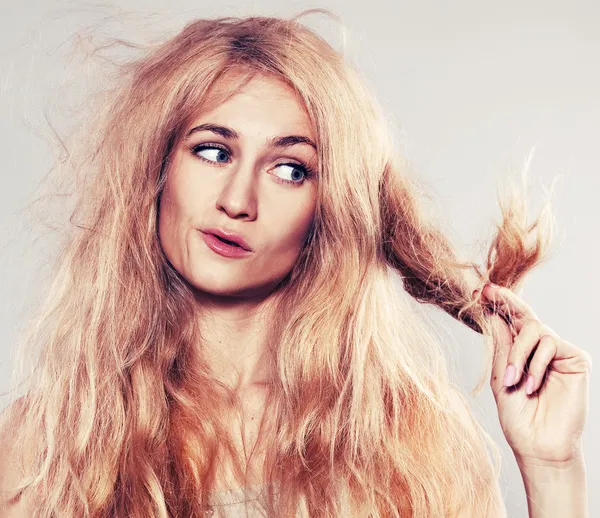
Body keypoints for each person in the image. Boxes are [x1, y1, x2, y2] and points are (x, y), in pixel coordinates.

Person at [0, 8, 591, 518]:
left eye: (290, 170)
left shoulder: (413, 443)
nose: (237, 200)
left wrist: (551, 465)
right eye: (212, 151)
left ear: (328, 208)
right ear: (158, 172)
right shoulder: (52, 443)